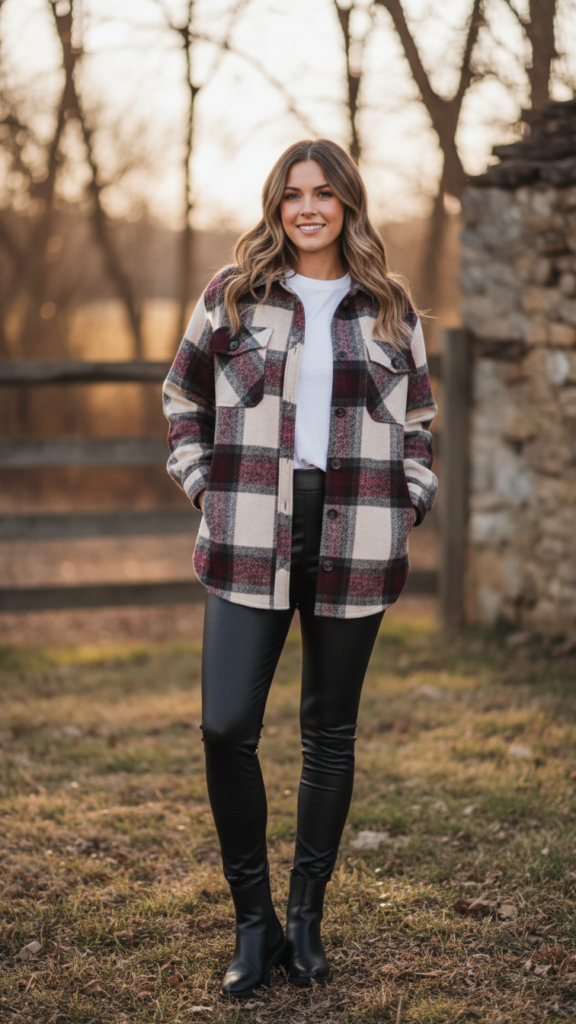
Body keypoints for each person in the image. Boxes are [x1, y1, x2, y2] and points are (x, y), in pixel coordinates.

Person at [162, 138, 437, 999]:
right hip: (248, 530)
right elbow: (182, 398)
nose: (308, 208)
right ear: (275, 205)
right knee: (225, 728)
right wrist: (205, 488)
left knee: (329, 732)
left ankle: (307, 922)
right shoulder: (232, 295)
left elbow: (419, 421)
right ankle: (255, 926)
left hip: (358, 532)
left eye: (323, 193)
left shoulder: (390, 308)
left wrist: (411, 499)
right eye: (293, 194)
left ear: (348, 202)